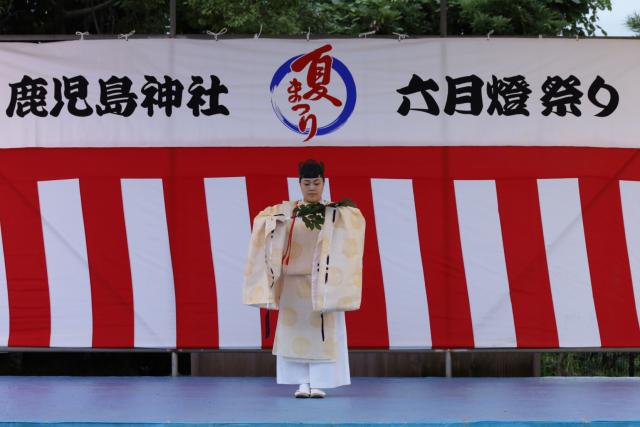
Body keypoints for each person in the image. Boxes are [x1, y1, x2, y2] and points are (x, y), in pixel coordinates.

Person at [243, 159, 365, 398]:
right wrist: (272, 223)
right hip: (293, 283)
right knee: (294, 332)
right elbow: (260, 220)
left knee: (323, 334)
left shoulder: (335, 212)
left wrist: (342, 215)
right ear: (299, 184)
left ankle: (321, 382)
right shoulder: (287, 211)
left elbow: (356, 220)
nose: (312, 187)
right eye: (307, 182)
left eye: (316, 182)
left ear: (324, 183)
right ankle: (301, 382)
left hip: (325, 284)